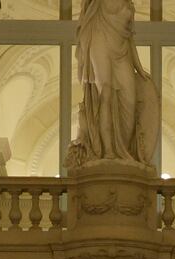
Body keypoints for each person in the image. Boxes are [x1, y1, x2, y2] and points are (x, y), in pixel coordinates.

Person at [66, 0, 159, 167]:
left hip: (122, 50)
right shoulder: (96, 3)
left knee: (129, 102)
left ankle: (123, 152)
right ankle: (107, 152)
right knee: (106, 93)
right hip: (99, 36)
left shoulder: (128, 4)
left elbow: (130, 39)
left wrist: (139, 68)